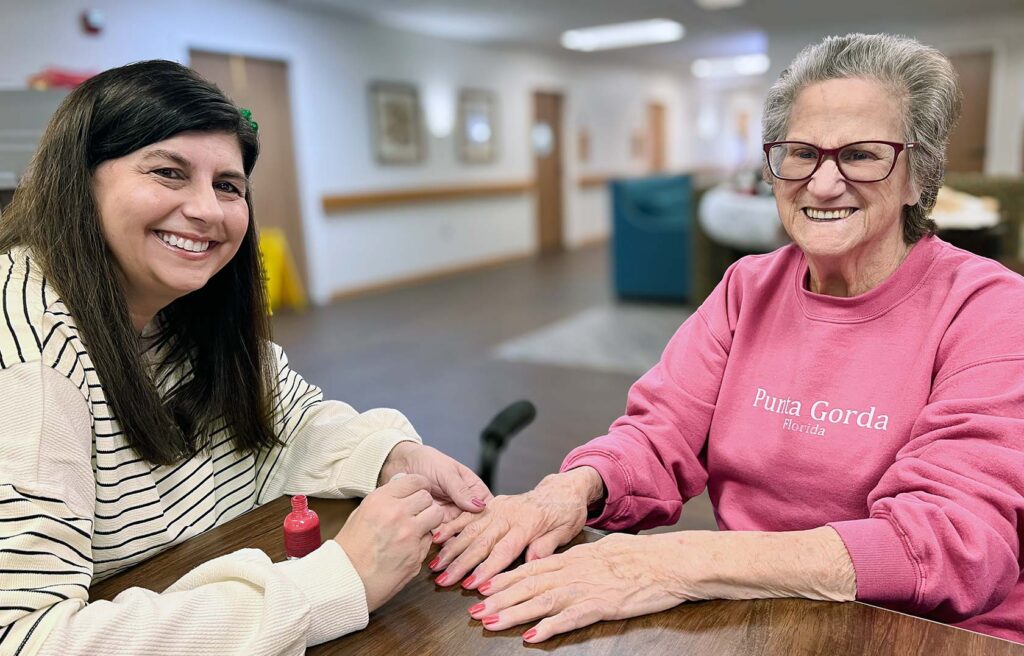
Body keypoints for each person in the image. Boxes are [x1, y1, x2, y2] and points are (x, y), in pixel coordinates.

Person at [430, 33, 1024, 645]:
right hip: (757, 615)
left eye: (862, 155)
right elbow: (659, 434)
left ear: (916, 177)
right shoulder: (747, 286)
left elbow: (949, 542)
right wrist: (567, 492)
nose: (822, 184)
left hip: (929, 634)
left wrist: (677, 564)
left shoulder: (990, 308)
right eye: (800, 153)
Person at [0, 60, 491, 654]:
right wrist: (338, 581)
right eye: (168, 172)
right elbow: (26, 637)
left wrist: (393, 457)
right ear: (78, 181)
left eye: (228, 185)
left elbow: (292, 419)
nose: (208, 210)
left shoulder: (181, 303)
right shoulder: (31, 364)